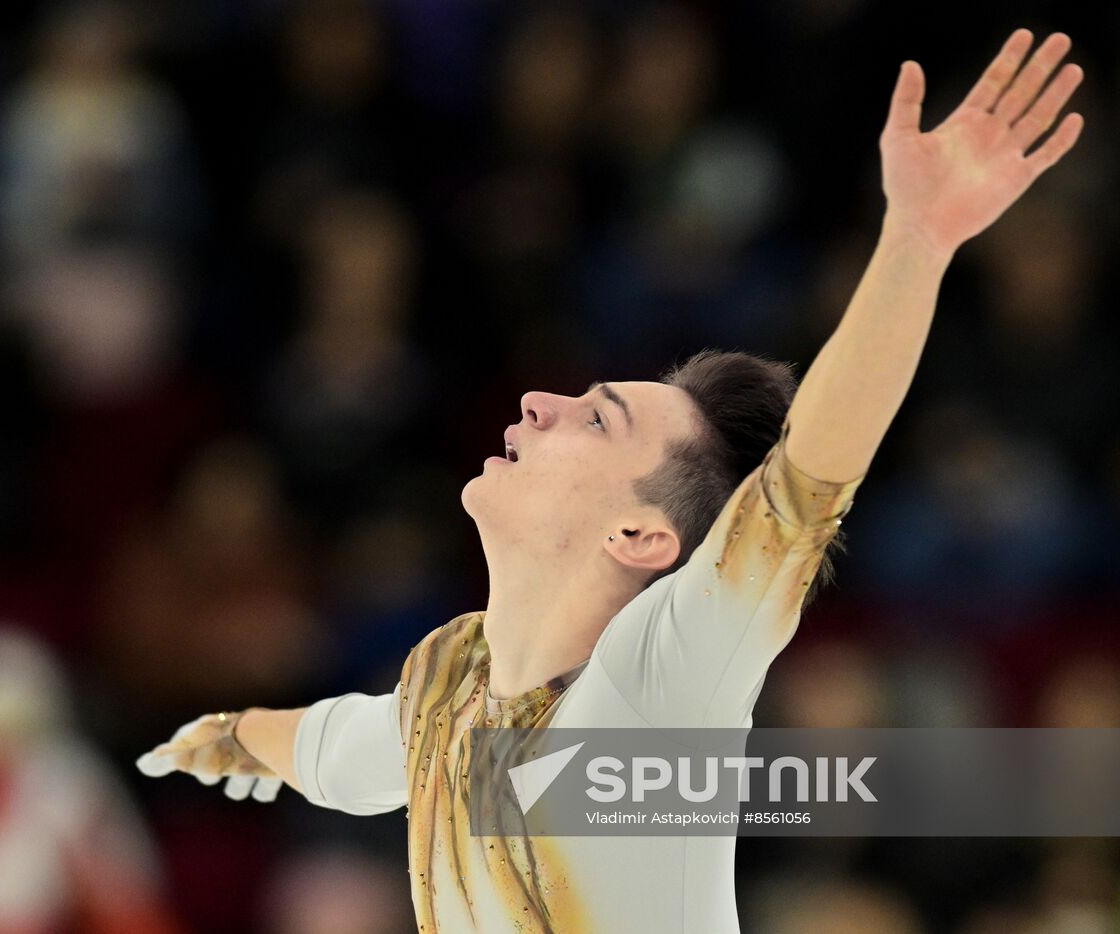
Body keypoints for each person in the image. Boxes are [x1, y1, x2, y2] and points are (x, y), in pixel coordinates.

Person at [138, 28, 1085, 933]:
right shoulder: (441, 689)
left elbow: (806, 483)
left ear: (641, 538)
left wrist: (915, 241)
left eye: (596, 418)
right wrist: (222, 736)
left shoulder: (653, 692)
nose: (540, 402)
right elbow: (326, 747)